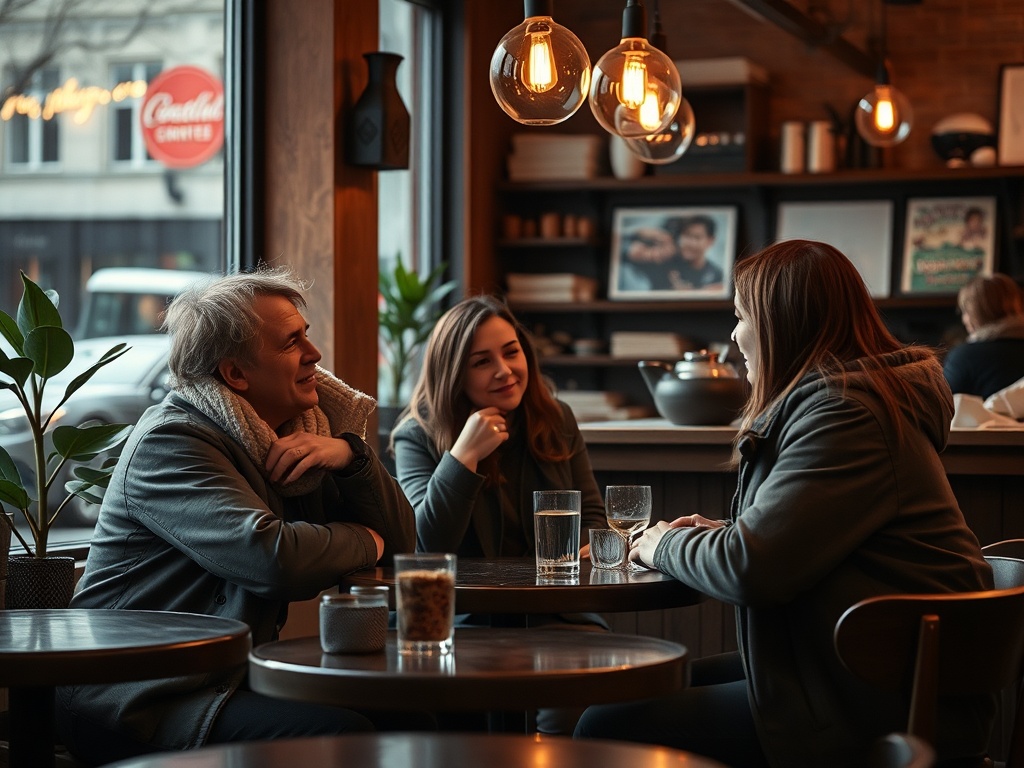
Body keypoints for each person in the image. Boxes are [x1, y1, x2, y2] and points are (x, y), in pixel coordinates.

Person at [574, 240, 992, 767]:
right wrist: (724, 532)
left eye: (740, 316)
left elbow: (750, 568)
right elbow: (802, 537)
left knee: (606, 723)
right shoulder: (848, 403)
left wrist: (663, 543)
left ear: (781, 324)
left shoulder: (846, 414)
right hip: (865, 671)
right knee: (635, 691)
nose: (733, 335)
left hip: (878, 699)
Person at [56, 267, 419, 765]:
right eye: (292, 343)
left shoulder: (297, 436)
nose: (314, 355)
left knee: (411, 712)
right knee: (345, 735)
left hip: (223, 683)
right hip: (136, 698)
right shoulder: (173, 441)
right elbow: (273, 559)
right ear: (235, 374)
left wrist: (349, 455)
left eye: (305, 337)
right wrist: (366, 539)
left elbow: (403, 542)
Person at [389, 295, 607, 732]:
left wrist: (589, 547)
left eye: (511, 352)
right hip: (460, 621)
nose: (505, 370)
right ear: (454, 373)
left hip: (553, 615)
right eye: (482, 361)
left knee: (577, 692)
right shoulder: (417, 434)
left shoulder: (555, 418)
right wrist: (462, 456)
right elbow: (426, 547)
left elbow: (595, 523)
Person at [943, 273, 1024, 399]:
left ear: (975, 313)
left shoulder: (964, 357)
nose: (964, 320)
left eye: (965, 311)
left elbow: (941, 407)